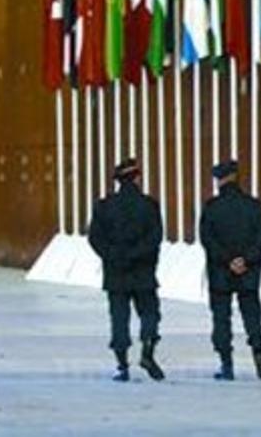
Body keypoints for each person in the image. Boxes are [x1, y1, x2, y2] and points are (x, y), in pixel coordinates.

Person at [87, 158, 165, 382]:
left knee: (119, 318)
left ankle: (122, 365)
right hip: (143, 271)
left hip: (116, 272)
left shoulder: (104, 206)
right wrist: (137, 255)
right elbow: (155, 237)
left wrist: (113, 256)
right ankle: (148, 352)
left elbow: (95, 238)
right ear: (138, 177)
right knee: (150, 313)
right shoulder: (149, 205)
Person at [199, 159, 261, 381]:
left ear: (219, 180)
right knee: (251, 313)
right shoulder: (255, 206)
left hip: (220, 272)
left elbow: (207, 239)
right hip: (248, 272)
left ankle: (226, 363)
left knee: (221, 317)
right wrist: (245, 260)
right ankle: (258, 350)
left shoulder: (211, 207)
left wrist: (228, 260)